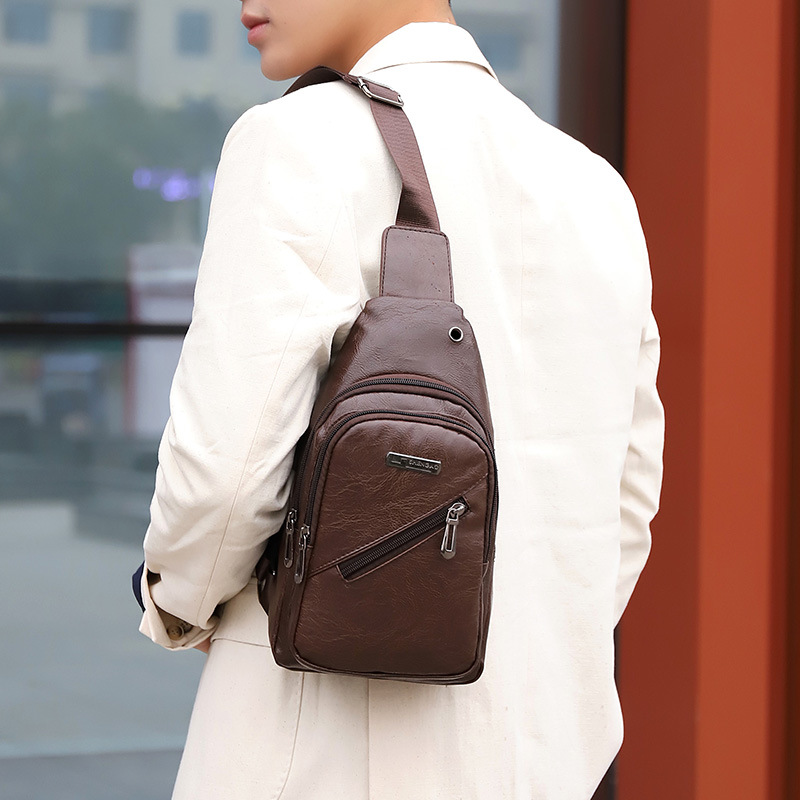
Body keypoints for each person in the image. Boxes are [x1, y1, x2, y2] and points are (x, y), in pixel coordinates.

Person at [135, 1, 665, 798]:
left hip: (323, 754)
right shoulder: (594, 188)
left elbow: (223, 477)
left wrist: (177, 600)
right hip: (540, 760)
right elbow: (623, 501)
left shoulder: (299, 140)